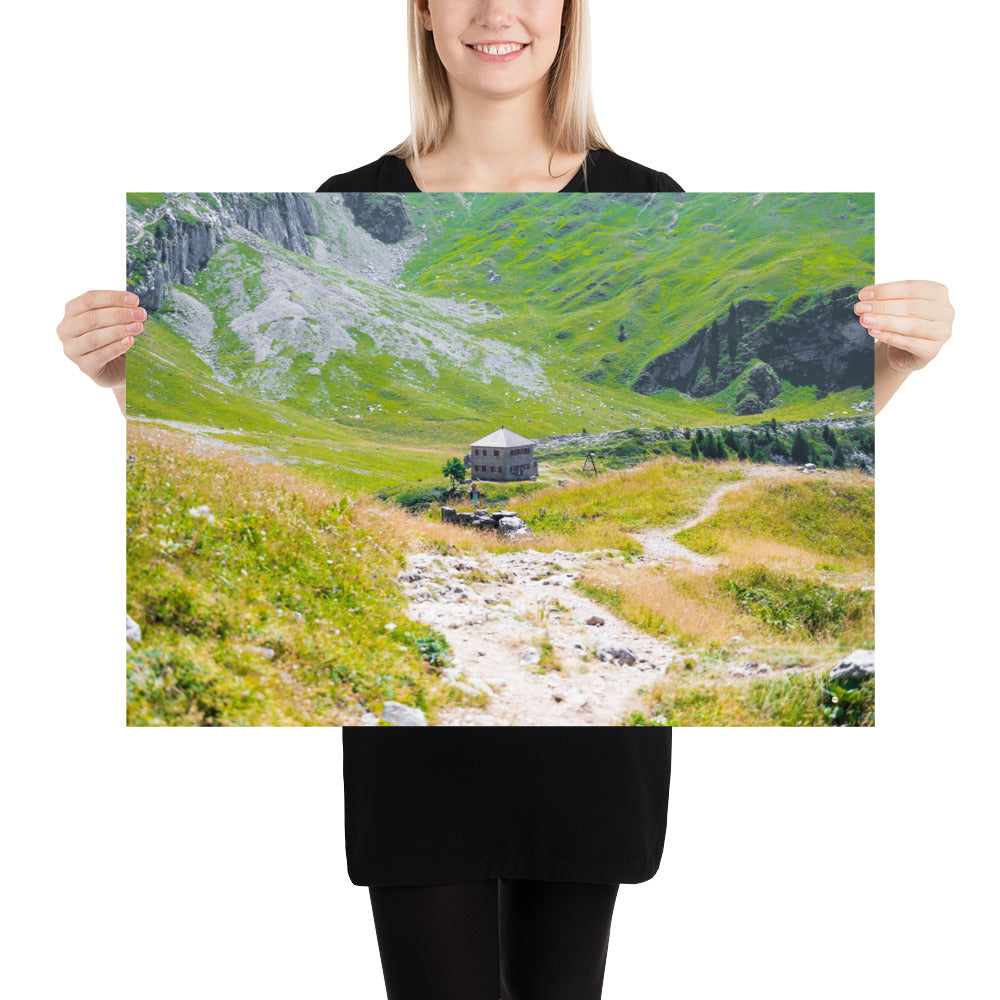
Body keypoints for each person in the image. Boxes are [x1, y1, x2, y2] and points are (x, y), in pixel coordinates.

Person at [56, 2, 954, 997]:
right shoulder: (342, 197)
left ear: (569, 15)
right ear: (425, 14)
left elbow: (802, 426)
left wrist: (896, 366)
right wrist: (119, 381)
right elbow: (220, 421)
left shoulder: (647, 195)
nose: (497, 12)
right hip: (418, 762)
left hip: (589, 760)